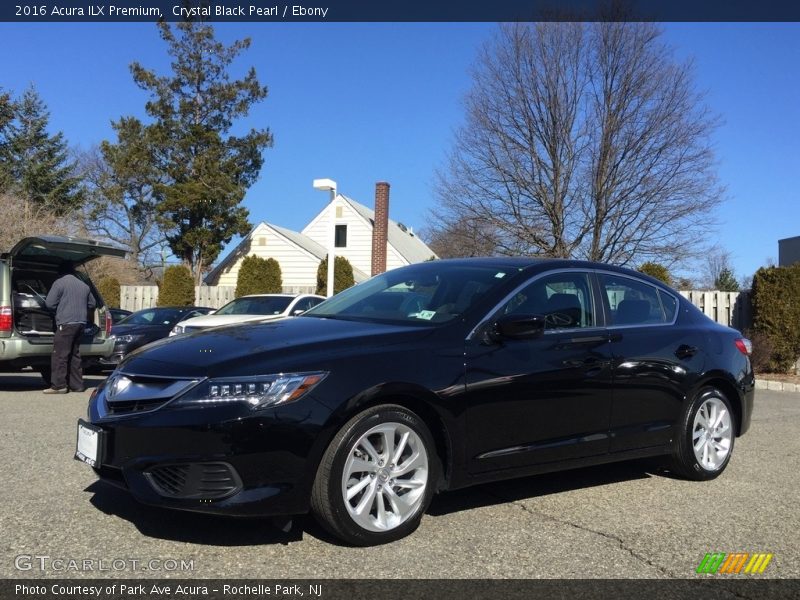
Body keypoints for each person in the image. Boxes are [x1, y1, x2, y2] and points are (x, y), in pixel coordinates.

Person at [43, 260, 96, 394]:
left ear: (60, 271)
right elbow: (92, 303)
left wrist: (59, 309)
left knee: (60, 355)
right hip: (81, 323)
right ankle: (77, 385)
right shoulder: (84, 285)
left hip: (66, 323)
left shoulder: (59, 283)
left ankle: (59, 385)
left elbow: (49, 304)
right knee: (74, 354)